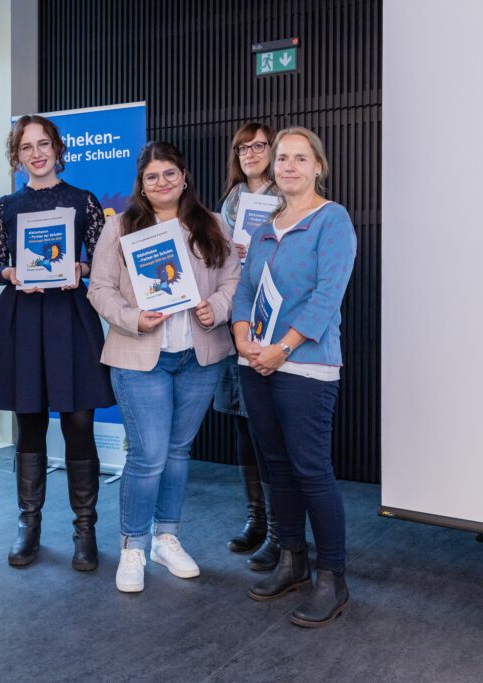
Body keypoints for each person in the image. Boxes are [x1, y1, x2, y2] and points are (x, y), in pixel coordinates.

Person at [87, 141, 241, 593]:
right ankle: (133, 547)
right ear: (142, 183)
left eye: (169, 173)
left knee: (176, 453)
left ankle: (166, 538)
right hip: (141, 358)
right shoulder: (119, 230)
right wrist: (133, 317)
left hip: (199, 356)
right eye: (152, 176)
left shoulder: (211, 224)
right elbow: (99, 288)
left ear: (184, 176)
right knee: (148, 456)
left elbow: (235, 277)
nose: (161, 183)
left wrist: (219, 305)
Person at [233, 127, 356, 627]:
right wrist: (243, 340)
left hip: (304, 363)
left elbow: (328, 297)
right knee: (277, 468)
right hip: (255, 362)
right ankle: (292, 560)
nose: (287, 166)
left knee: (311, 470)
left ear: (318, 166)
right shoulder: (265, 225)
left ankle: (333, 577)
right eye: (282, 158)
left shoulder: (334, 220)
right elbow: (244, 289)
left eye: (299, 159)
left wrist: (281, 349)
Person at [0, 114, 114, 572]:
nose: (36, 153)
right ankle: (29, 526)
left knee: (79, 422)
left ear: (58, 149)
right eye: (26, 147)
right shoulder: (5, 207)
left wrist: (80, 268)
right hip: (23, 318)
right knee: (30, 422)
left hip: (70, 317)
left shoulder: (84, 202)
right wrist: (12, 273)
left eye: (43, 144)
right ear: (16, 156)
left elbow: (104, 263)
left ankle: (85, 530)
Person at [214, 123, 282, 569]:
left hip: (276, 321)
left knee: (272, 430)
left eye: (260, 145)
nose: (251, 152)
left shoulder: (287, 193)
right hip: (237, 321)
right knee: (243, 424)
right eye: (243, 146)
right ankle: (256, 519)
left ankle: (281, 530)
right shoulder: (229, 204)